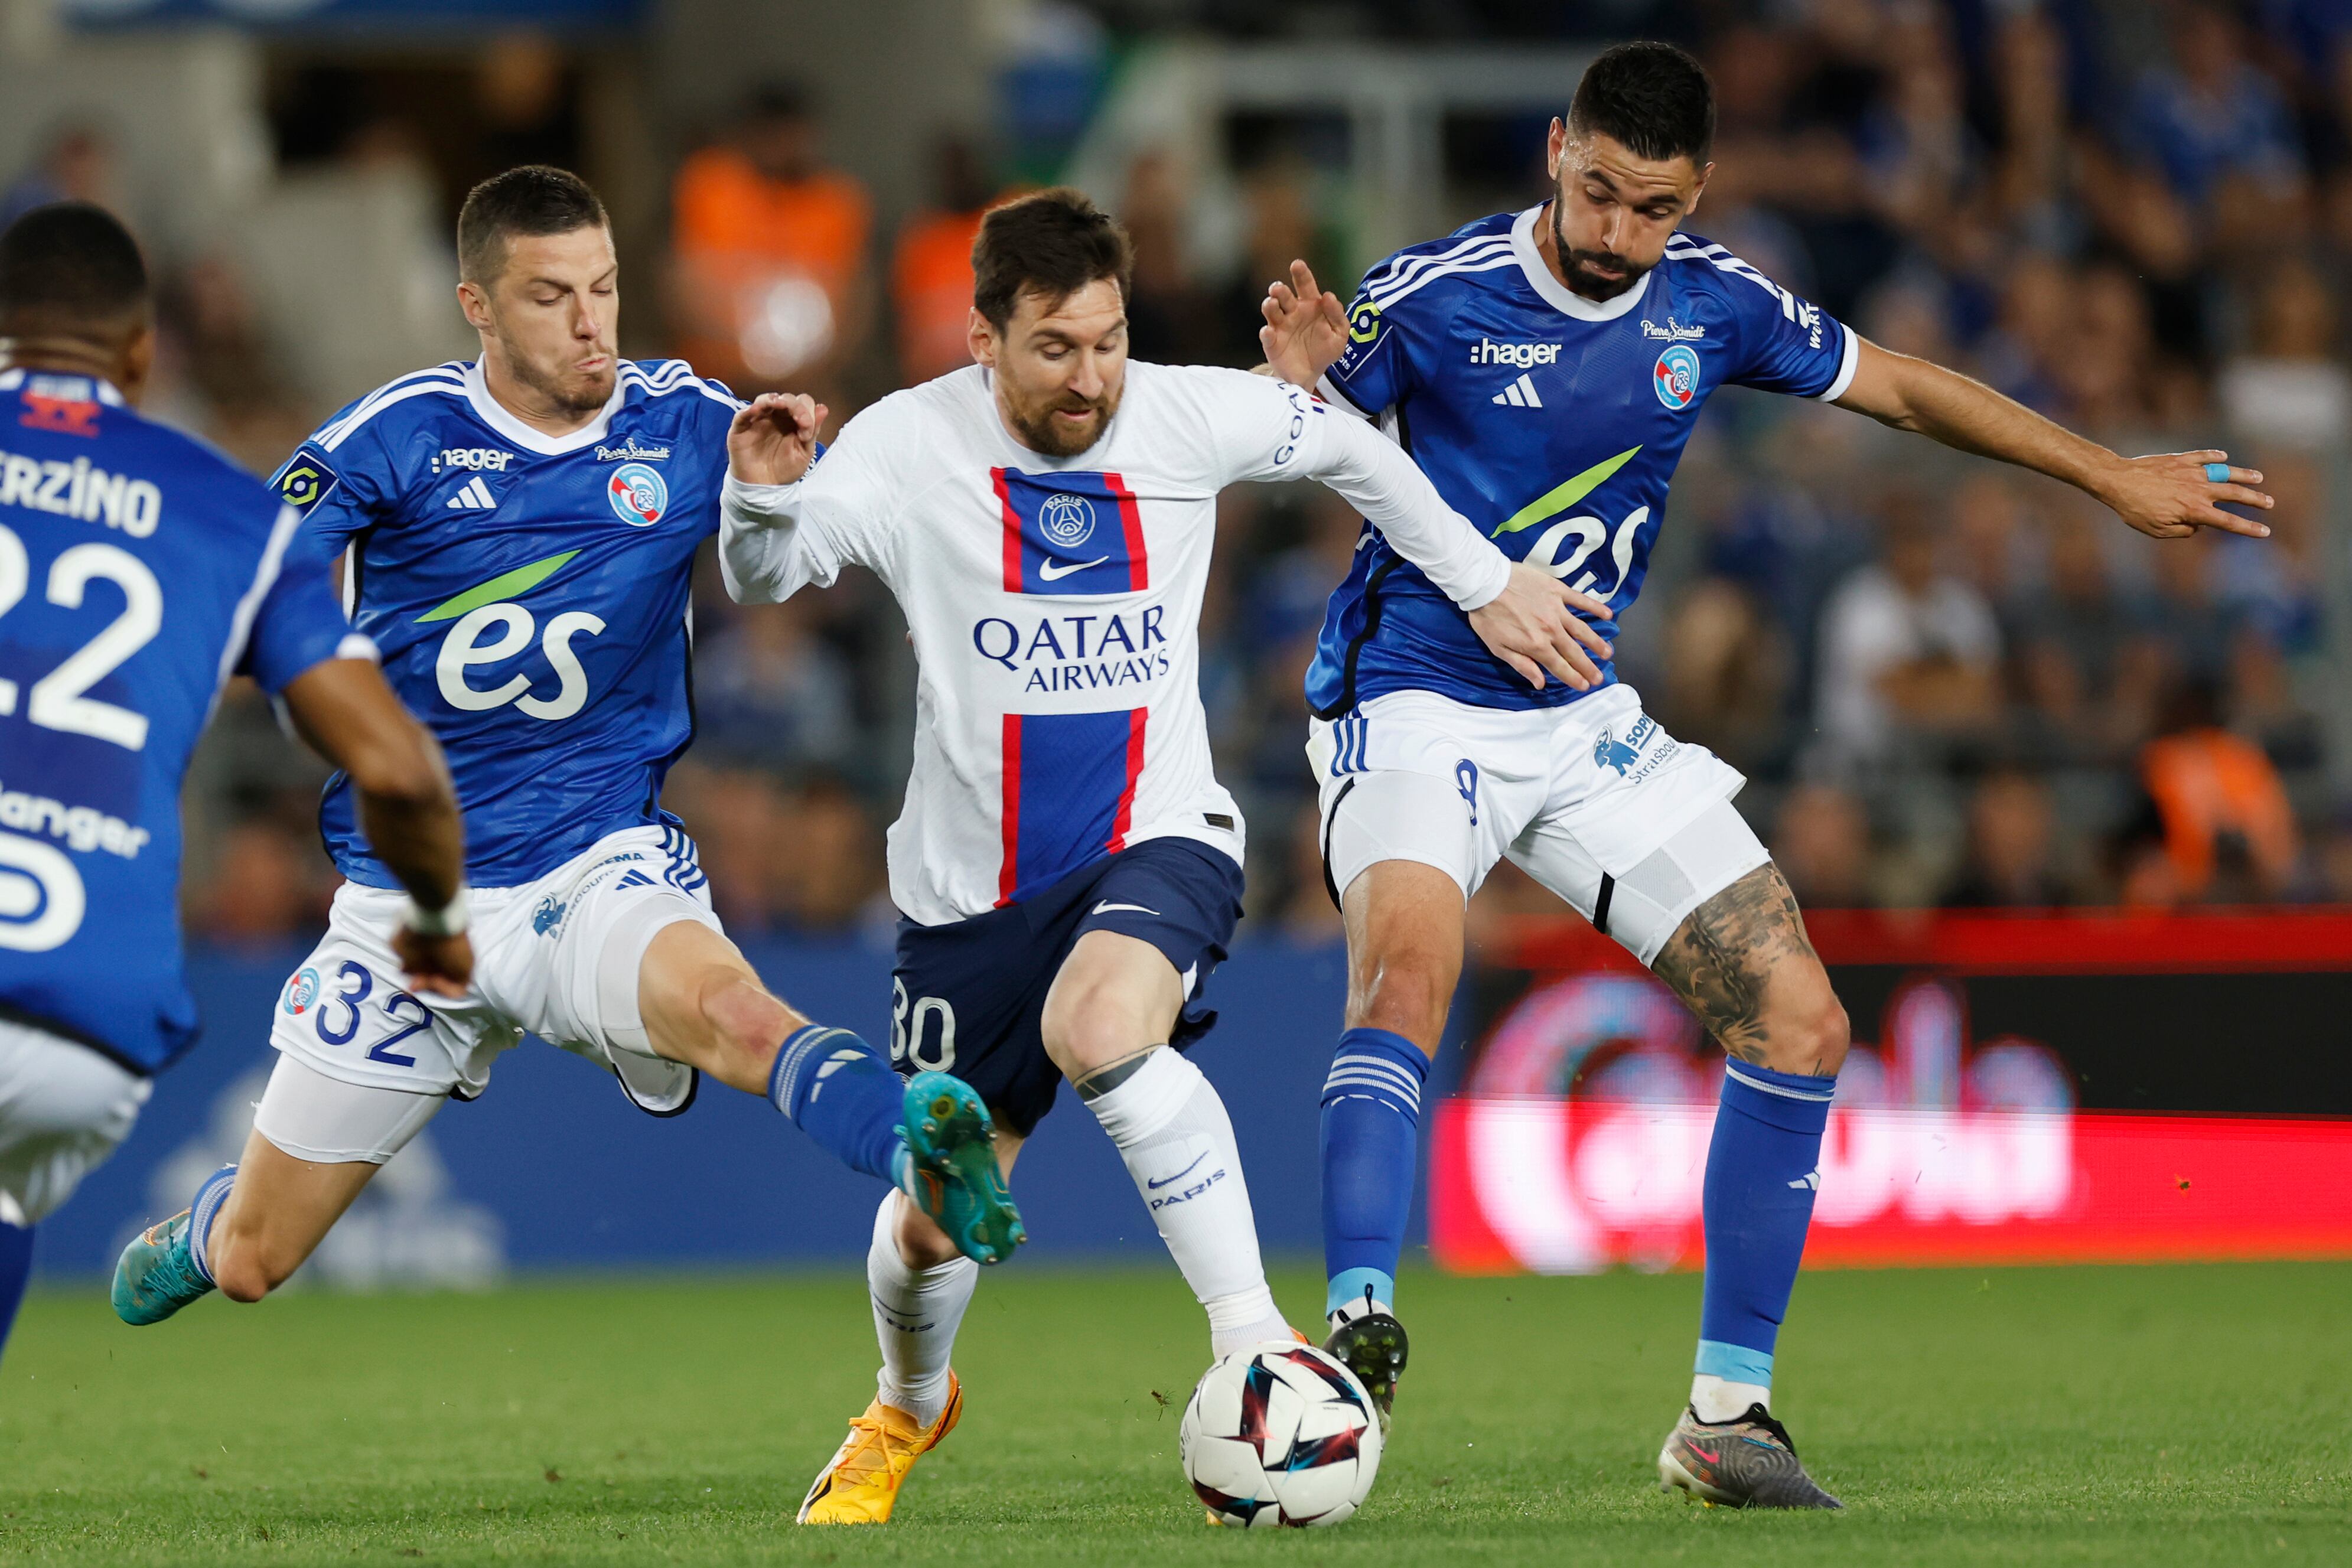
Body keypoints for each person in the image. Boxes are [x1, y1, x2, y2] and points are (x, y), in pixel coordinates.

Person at [1257, 40, 2272, 1508]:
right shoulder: (1437, 293)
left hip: (1577, 716)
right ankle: (1351, 1338)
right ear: (1554, 148)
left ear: (1698, 195)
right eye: (1595, 191)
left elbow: (1906, 392)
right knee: (1407, 970)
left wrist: (2106, 472)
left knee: (1799, 1018)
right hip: (1413, 700)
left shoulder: (1711, 299)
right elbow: (1312, 436)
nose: (1614, 234)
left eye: (1649, 208)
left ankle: (1725, 1416)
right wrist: (1293, 387)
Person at [718, 187, 1595, 1525]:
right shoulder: (906, 446)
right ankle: (905, 1403)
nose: (1091, 378)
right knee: (930, 1222)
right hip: (970, 900)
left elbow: (1355, 454)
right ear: (981, 341)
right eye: (1055, 349)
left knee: (1100, 1019)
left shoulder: (1185, 412)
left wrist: (1482, 581)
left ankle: (1254, 1344)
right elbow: (767, 579)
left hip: (1158, 832)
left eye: (1110, 340)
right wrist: (762, 500)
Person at [107, 165, 1018, 1331]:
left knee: (735, 1011)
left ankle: (916, 1144)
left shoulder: (688, 424)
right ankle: (208, 1225)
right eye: (549, 297)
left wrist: (771, 496)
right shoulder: (400, 437)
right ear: (477, 306)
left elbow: (817, 536)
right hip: (407, 906)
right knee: (253, 1259)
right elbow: (241, 573)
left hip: (593, 868)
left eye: (605, 287)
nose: (591, 324)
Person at [0, 202, 467, 1364]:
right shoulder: (231, 516)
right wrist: (437, 921)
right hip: (89, 1009)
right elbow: (402, 768)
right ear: (143, 352)